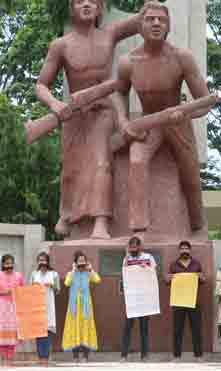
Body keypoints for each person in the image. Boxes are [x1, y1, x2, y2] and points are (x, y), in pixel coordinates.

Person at [34, 0, 147, 239]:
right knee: (70, 170)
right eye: (79, 1)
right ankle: (66, 215)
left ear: (100, 8)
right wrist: (55, 104)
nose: (86, 4)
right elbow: (41, 85)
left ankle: (100, 222)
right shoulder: (60, 45)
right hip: (74, 116)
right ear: (72, 8)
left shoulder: (111, 33)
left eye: (93, 1)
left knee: (101, 162)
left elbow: (143, 19)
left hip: (104, 110)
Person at [116, 1, 211, 235]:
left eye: (162, 20)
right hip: (148, 123)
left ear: (168, 27)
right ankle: (138, 228)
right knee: (136, 162)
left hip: (178, 121)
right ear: (140, 25)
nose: (157, 23)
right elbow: (119, 92)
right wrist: (124, 122)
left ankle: (196, 222)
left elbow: (205, 102)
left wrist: (185, 111)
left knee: (190, 172)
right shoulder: (128, 62)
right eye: (150, 19)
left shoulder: (182, 58)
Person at [167, 240, 206, 362]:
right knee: (177, 329)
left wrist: (202, 277)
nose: (184, 250)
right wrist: (168, 278)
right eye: (182, 248)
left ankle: (198, 356)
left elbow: (203, 280)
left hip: (193, 301)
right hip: (178, 302)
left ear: (190, 250)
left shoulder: (196, 264)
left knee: (196, 328)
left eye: (186, 248)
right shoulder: (173, 265)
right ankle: (177, 356)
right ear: (179, 250)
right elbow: (167, 281)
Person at [120, 236, 157, 362]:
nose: (133, 249)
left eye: (135, 246)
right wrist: (126, 256)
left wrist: (145, 267)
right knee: (127, 327)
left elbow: (153, 273)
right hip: (132, 299)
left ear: (140, 246)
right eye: (131, 247)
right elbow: (124, 273)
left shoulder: (148, 257)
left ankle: (145, 355)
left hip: (145, 298)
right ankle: (124, 355)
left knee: (144, 327)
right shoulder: (127, 258)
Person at [62, 251, 101, 362]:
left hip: (85, 306)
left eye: (83, 260)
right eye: (79, 261)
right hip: (74, 307)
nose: (82, 262)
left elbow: (97, 279)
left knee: (86, 328)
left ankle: (85, 356)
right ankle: (75, 356)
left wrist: (90, 269)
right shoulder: (72, 273)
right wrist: (73, 270)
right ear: (75, 262)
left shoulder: (88, 273)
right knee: (74, 328)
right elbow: (67, 283)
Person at [0, 254, 24, 366]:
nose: (9, 265)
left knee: (12, 333)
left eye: (11, 263)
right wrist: (3, 292)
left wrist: (16, 292)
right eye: (7, 263)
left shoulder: (18, 276)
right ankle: (3, 357)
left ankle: (10, 358)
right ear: (3, 264)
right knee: (2, 333)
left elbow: (22, 291)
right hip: (1, 307)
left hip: (13, 306)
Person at [30, 252, 60, 365]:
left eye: (44, 260)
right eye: (40, 260)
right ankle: (40, 356)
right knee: (38, 331)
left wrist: (52, 286)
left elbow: (58, 290)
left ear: (48, 261)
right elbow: (29, 290)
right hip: (37, 305)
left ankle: (46, 356)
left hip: (49, 304)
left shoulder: (54, 274)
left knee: (47, 331)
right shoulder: (34, 274)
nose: (42, 262)